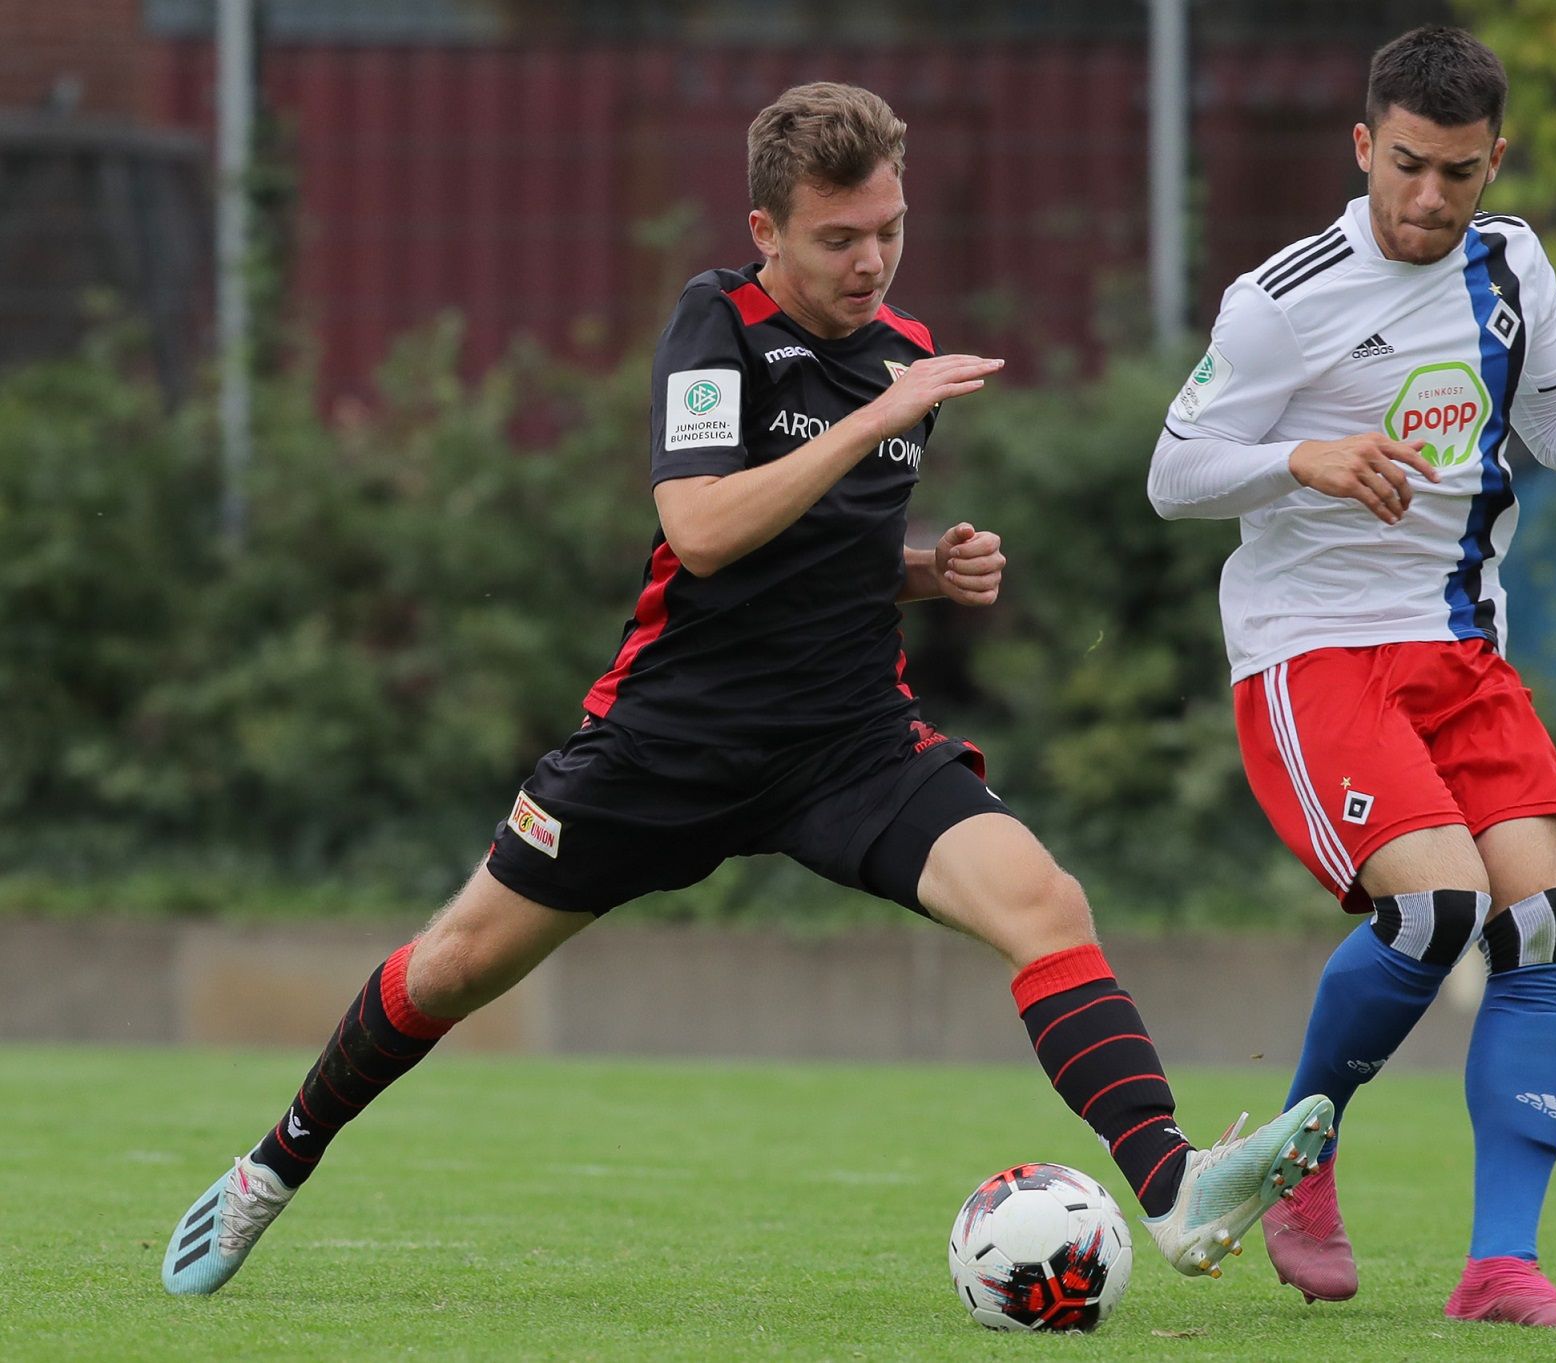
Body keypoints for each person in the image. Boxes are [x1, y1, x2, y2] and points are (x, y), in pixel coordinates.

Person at [163, 80, 1332, 1298]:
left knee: (1044, 900)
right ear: (767, 232)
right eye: (838, 237)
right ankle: (268, 1171)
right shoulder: (716, 326)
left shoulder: (907, 357)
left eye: (889, 229)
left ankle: (1173, 1187)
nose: (871, 260)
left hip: (845, 741)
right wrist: (872, 418)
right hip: (667, 742)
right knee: (454, 964)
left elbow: (818, 556)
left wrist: (925, 571)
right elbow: (707, 527)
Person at [1148, 26, 1556, 1331]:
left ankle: (1499, 1267)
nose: (1428, 199)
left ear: (1494, 162)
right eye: (1407, 166)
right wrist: (1293, 459)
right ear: (1363, 145)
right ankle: (1298, 1162)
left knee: (1540, 922)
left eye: (1458, 173)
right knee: (1436, 910)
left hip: (1459, 649)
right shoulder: (1281, 297)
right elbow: (1173, 469)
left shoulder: (1510, 262)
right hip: (1313, 652)